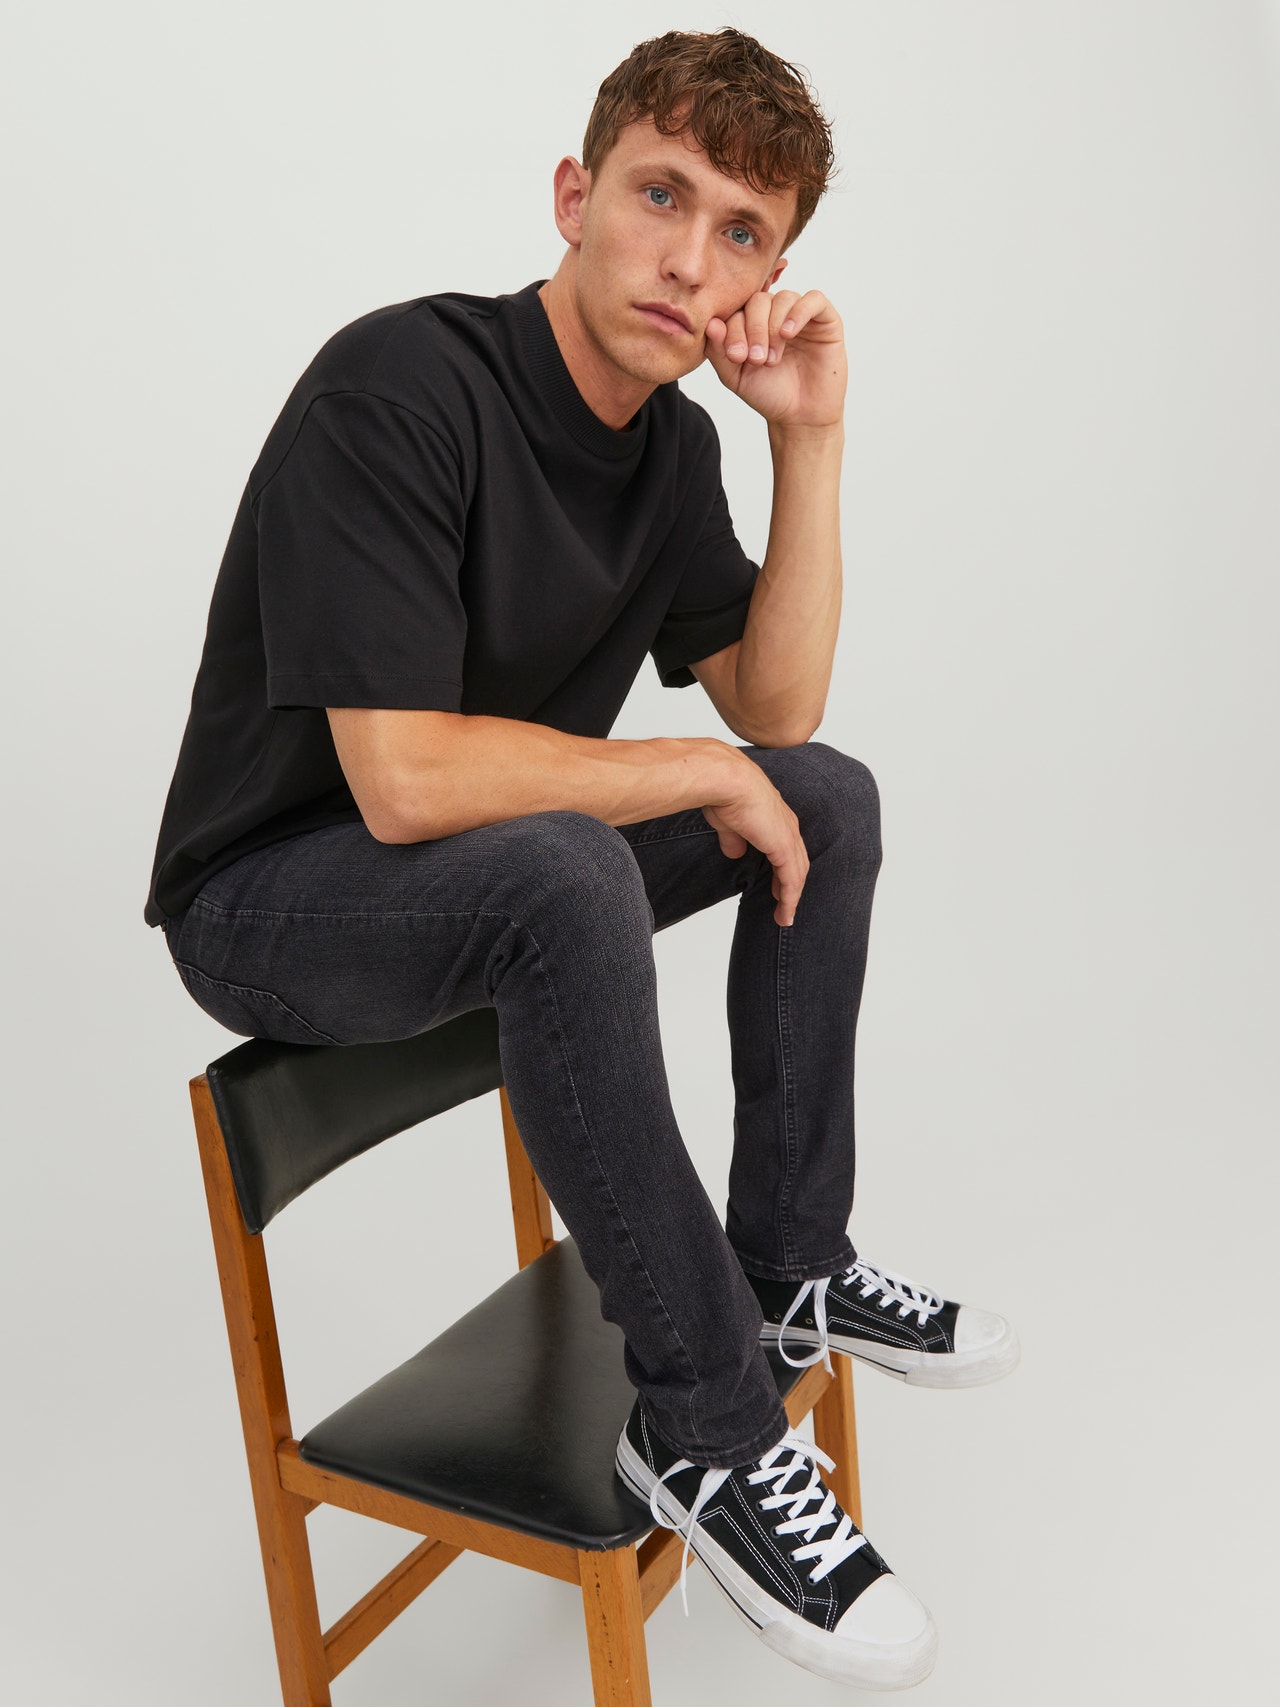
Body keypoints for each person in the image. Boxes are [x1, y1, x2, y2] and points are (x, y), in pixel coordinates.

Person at [145, 27, 1017, 1691]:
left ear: (769, 277)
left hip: (493, 868)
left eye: (742, 233)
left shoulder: (672, 452)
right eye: (659, 197)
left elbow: (777, 706)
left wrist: (808, 440)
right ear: (575, 195)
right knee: (569, 870)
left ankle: (789, 1269)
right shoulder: (400, 387)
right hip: (273, 898)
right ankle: (707, 1428)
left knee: (821, 794)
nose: (690, 262)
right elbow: (402, 780)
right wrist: (684, 767)